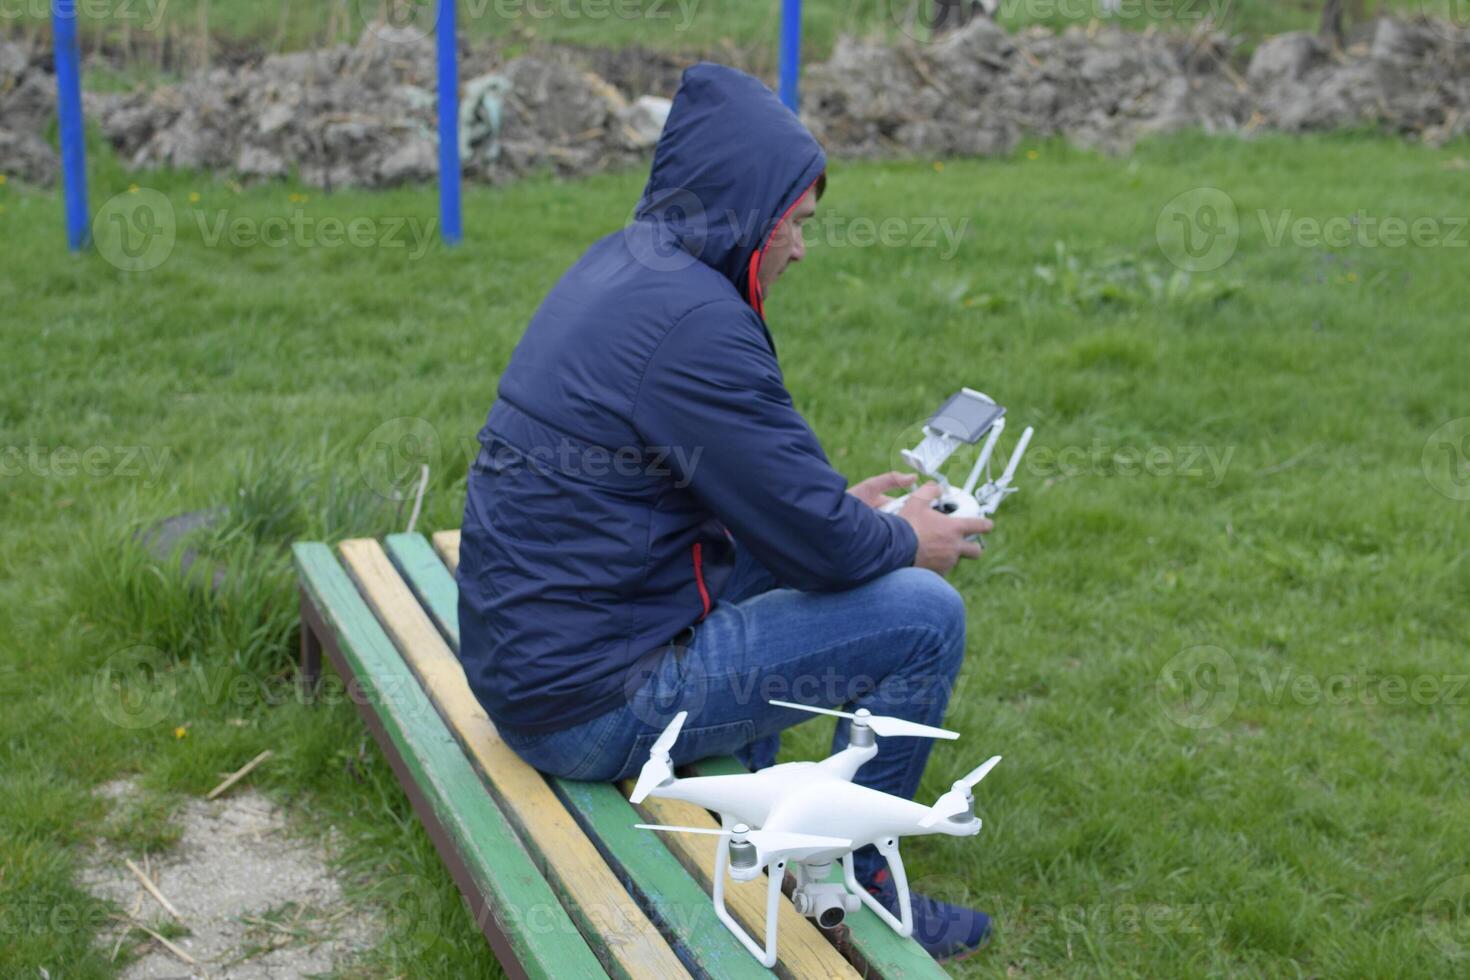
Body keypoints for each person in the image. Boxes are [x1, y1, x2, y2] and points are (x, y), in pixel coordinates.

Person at [457, 62, 993, 962]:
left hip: (528, 658)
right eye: (799, 225)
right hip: (587, 705)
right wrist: (908, 536)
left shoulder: (627, 267)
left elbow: (772, 502)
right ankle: (857, 877)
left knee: (816, 556)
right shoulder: (697, 324)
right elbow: (824, 547)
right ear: (753, 211)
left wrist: (845, 514)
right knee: (926, 617)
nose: (801, 250)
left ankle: (762, 786)